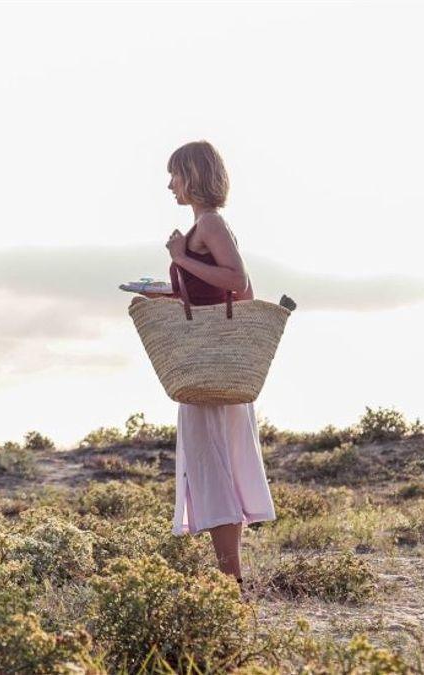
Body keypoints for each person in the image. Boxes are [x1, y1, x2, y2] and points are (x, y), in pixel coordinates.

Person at [148, 140, 277, 586]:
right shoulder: (205, 226)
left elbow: (237, 281)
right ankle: (229, 578)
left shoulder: (211, 224)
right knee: (212, 466)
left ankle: (231, 582)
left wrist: (180, 258)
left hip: (211, 367)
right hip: (212, 361)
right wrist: (167, 292)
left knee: (212, 468)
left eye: (176, 175)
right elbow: (228, 293)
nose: (170, 185)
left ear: (194, 176)